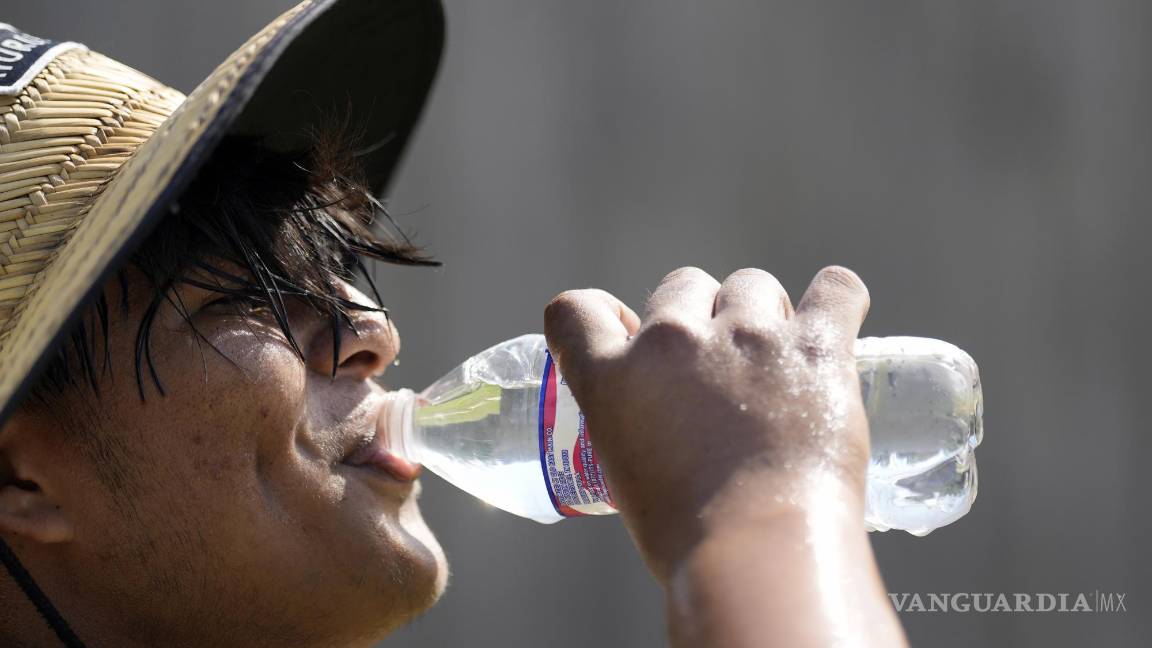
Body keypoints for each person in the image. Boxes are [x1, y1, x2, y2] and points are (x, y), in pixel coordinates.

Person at [0, 1, 907, 646]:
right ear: (19, 475)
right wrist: (763, 507)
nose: (371, 333)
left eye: (336, 273)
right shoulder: (763, 511)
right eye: (251, 298)